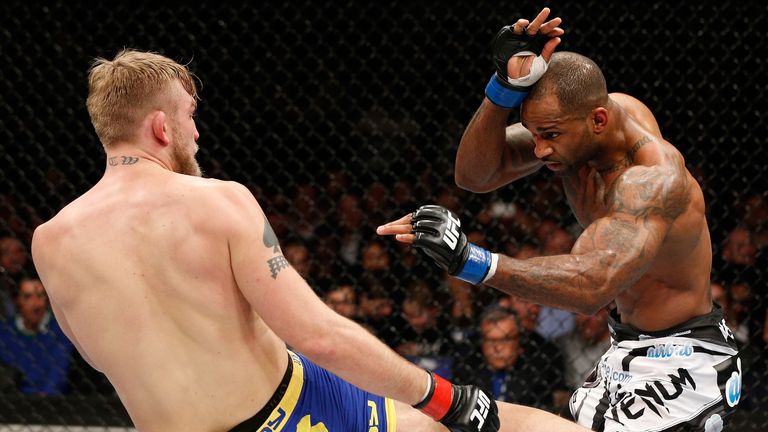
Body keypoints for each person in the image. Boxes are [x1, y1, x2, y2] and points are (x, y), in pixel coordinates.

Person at [29, 48, 590, 432]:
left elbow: (101, 357)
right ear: (160, 127)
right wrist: (445, 398)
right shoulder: (215, 200)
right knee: (501, 421)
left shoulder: (49, 241)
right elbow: (318, 335)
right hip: (291, 409)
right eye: (190, 117)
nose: (196, 133)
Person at [378, 7, 741, 431]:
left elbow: (592, 285)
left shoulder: (652, 180)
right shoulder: (578, 129)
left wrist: (470, 261)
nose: (539, 151)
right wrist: (502, 90)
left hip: (685, 359)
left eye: (549, 135)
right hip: (624, 348)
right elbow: (474, 175)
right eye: (533, 135)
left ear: (598, 121)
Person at [0, 276, 73, 395]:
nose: (35, 304)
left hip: (56, 402)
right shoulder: (4, 333)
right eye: (27, 297)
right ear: (17, 300)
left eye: (40, 296)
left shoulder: (61, 331)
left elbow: (58, 376)